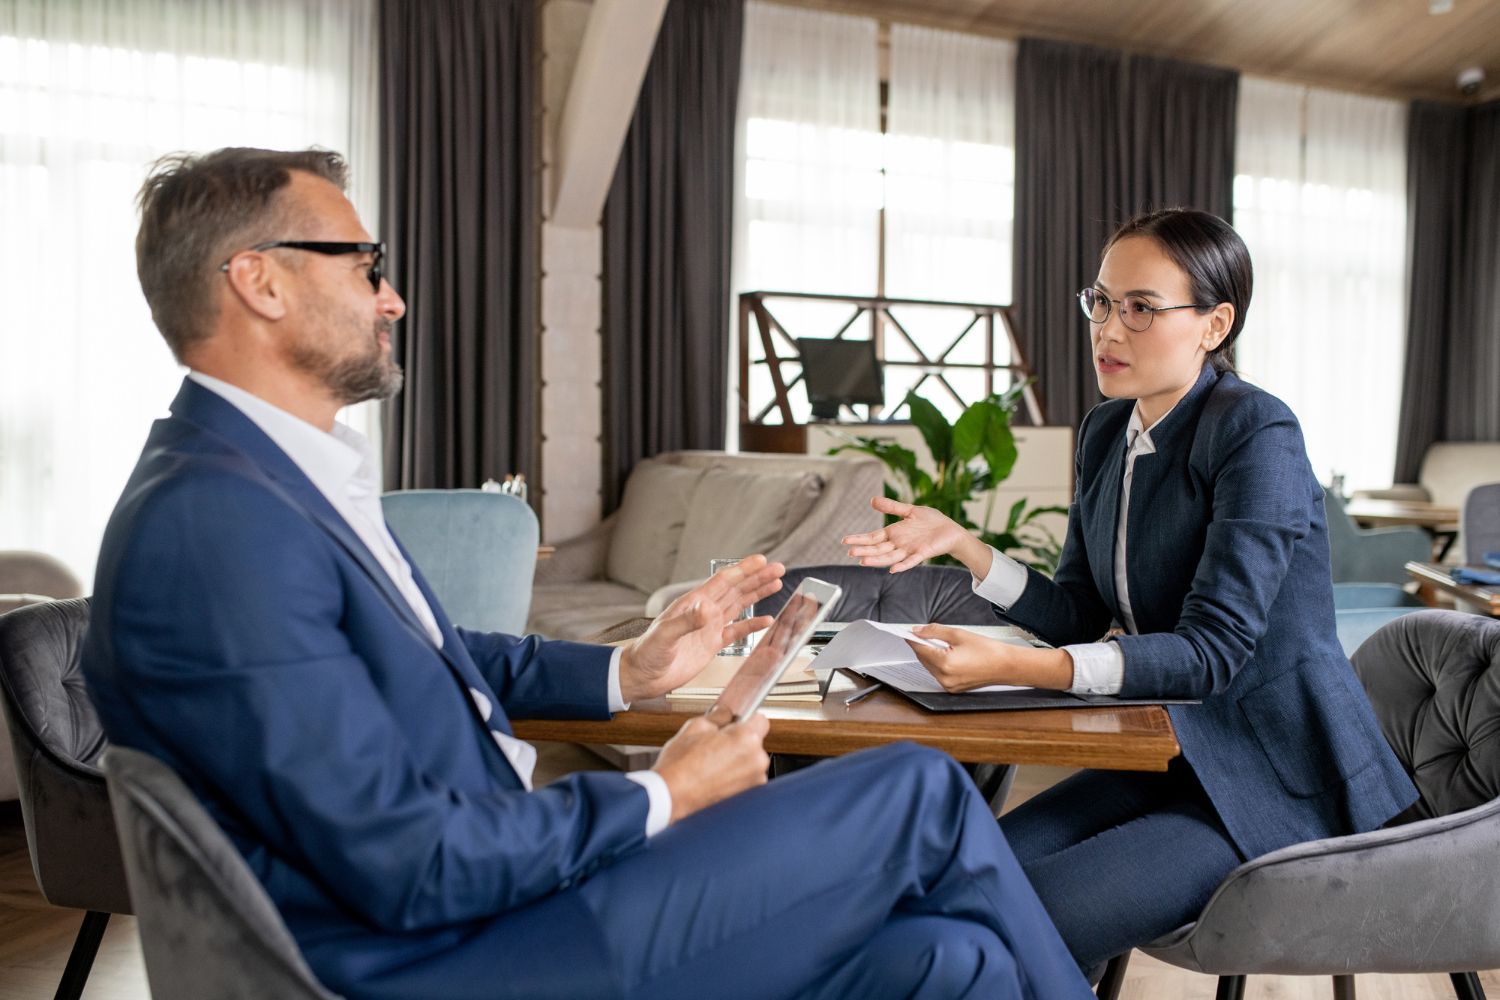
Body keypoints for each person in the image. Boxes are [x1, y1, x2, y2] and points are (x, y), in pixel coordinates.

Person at [81, 146, 1093, 1000]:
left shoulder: (260, 479)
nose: (390, 296)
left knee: (949, 961)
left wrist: (629, 671)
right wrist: (666, 792)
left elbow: (425, 654)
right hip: (443, 956)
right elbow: (407, 862)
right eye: (362, 264)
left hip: (492, 910)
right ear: (260, 281)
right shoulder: (215, 525)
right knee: (916, 788)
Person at [843, 208, 1418, 972]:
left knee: (1024, 923)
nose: (1109, 330)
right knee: (954, 881)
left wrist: (1016, 667)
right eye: (1102, 302)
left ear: (1215, 325)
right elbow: (1081, 612)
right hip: (1166, 757)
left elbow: (1210, 654)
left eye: (1142, 308)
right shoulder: (1106, 433)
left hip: (1273, 779)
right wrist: (969, 548)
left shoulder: (1257, 433)